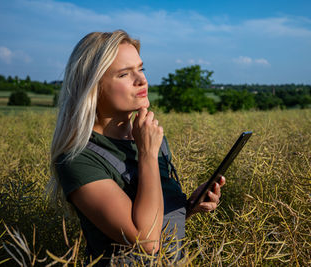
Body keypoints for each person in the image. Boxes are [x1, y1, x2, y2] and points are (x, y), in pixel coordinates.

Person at [47, 30, 225, 266]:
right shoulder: (77, 159)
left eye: (141, 69)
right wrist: (147, 154)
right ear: (93, 86)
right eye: (124, 74)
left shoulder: (151, 139)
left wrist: (188, 208)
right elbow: (147, 242)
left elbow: (154, 219)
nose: (142, 80)